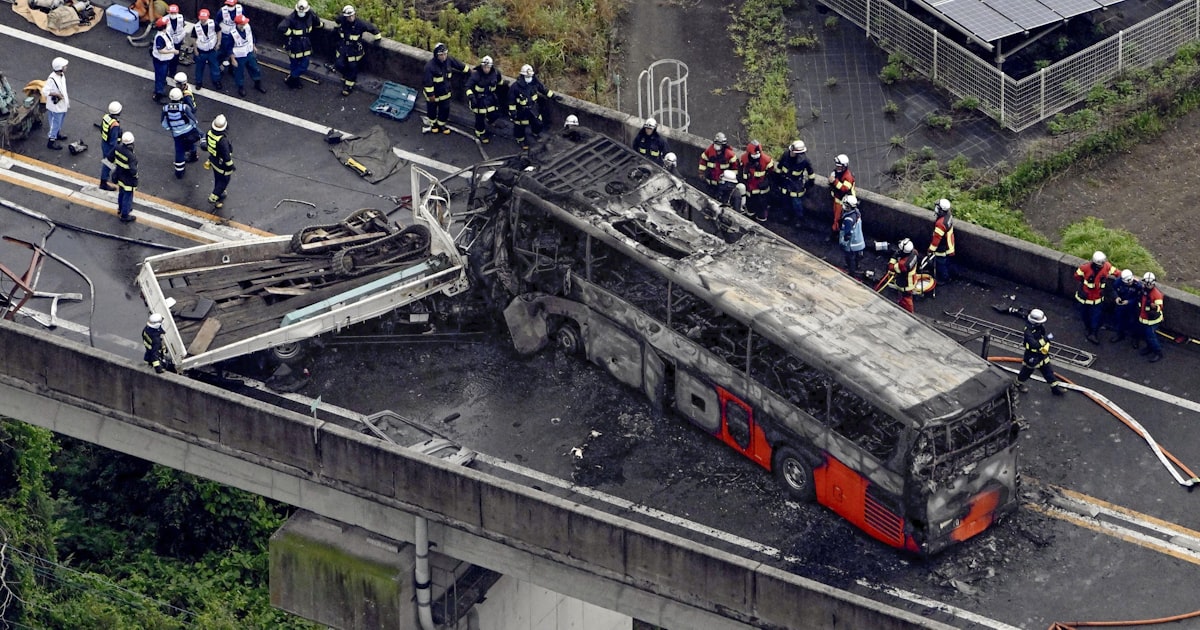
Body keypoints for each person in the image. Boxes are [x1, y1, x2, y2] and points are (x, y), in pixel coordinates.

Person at [1015, 309, 1067, 396]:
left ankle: (1055, 388)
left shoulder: (1039, 327)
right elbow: (1034, 344)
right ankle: (1017, 384)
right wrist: (1047, 339)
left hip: (1042, 354)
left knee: (1048, 371)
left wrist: (1046, 345)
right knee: (1026, 372)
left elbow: (1042, 337)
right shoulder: (1028, 331)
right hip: (1032, 355)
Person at [508, 64, 560, 149]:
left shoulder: (535, 82)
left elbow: (543, 89)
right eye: (527, 76)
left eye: (530, 76)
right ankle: (520, 140)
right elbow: (511, 101)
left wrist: (553, 96)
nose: (529, 78)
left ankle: (535, 134)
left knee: (538, 123)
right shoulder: (515, 87)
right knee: (519, 126)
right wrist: (513, 113)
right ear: (522, 76)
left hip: (533, 108)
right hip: (521, 111)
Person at [333, 5, 380, 97]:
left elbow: (373, 29)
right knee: (339, 64)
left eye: (352, 16)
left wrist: (377, 39)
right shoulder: (342, 20)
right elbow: (337, 21)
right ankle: (346, 75)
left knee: (352, 67)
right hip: (343, 47)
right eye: (348, 16)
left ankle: (349, 86)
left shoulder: (360, 24)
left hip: (354, 50)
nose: (351, 18)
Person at [421, 43, 466, 135]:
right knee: (432, 110)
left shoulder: (449, 60)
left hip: (445, 93)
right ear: (436, 55)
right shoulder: (429, 67)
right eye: (441, 55)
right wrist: (431, 95)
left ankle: (441, 125)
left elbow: (459, 65)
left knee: (445, 109)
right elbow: (427, 82)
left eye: (445, 54)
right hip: (433, 95)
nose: (444, 57)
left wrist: (469, 71)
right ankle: (433, 124)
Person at [1074, 250, 1114, 344]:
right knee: (1086, 315)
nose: (1103, 265)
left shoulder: (1105, 266)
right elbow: (1077, 276)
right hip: (1086, 297)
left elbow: (1116, 272)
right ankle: (1090, 330)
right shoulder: (1085, 268)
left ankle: (1093, 333)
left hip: (1095, 298)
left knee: (1095, 316)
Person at [279, 0, 320, 89]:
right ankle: (295, 81)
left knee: (304, 65)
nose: (301, 13)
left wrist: (320, 25)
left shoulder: (310, 14)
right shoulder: (291, 18)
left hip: (305, 44)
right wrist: (291, 33)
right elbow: (281, 27)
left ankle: (291, 77)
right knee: (294, 65)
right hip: (294, 44)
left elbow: (317, 22)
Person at [774, 140, 814, 224]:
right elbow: (779, 167)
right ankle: (787, 216)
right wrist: (777, 178)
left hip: (796, 184)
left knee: (796, 203)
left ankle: (799, 219)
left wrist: (810, 183)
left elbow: (811, 173)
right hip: (785, 181)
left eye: (793, 151)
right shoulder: (786, 155)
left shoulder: (804, 161)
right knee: (785, 201)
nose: (791, 152)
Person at [161, 87, 198, 178]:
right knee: (191, 142)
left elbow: (163, 122)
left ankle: (179, 172)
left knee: (179, 150)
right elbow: (193, 119)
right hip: (188, 130)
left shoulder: (165, 108)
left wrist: (170, 128)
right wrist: (193, 126)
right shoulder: (184, 107)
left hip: (176, 133)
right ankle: (193, 156)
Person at [465, 56, 502, 143]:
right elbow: (467, 87)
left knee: (495, 113)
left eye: (488, 67)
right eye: (484, 67)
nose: (486, 69)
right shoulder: (476, 75)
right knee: (480, 118)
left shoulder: (496, 73)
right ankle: (480, 133)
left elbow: (499, 81)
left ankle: (490, 121)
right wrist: (471, 97)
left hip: (491, 99)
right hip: (479, 100)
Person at [227, 15, 266, 97]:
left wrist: (254, 45)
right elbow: (229, 47)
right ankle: (240, 87)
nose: (244, 25)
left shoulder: (247, 27)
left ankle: (257, 83)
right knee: (239, 73)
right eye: (242, 23)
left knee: (255, 68)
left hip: (249, 53)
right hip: (239, 56)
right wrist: (233, 59)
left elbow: (251, 37)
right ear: (238, 24)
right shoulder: (232, 34)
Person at [204, 114, 234, 209]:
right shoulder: (222, 140)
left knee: (218, 178)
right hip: (222, 165)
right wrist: (230, 166)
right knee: (224, 181)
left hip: (214, 160)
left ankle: (219, 194)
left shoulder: (209, 133)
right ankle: (214, 197)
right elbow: (226, 156)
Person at [738, 140, 773, 222]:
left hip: (761, 190)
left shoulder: (767, 160)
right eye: (754, 154)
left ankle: (761, 221)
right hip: (749, 189)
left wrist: (766, 182)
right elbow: (740, 172)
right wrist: (742, 182)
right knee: (750, 207)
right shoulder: (744, 158)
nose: (756, 155)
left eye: (758, 153)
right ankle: (749, 219)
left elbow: (771, 175)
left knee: (762, 208)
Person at [109, 132, 138, 223]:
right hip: (128, 179)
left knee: (121, 193)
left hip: (119, 175)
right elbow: (133, 171)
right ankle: (125, 215)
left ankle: (120, 208)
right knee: (128, 196)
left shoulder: (117, 148)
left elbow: (109, 158)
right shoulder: (131, 156)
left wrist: (116, 168)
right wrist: (135, 178)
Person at [926, 198, 956, 289]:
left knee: (940, 263)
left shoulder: (940, 224)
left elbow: (936, 240)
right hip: (949, 243)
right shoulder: (948, 215)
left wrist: (930, 250)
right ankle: (950, 274)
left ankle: (944, 278)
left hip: (942, 247)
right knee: (947, 262)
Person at [1107, 269, 1142, 343]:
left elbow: (1139, 297)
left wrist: (1129, 302)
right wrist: (1116, 297)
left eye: (1130, 282)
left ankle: (1135, 339)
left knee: (1133, 322)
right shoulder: (1118, 282)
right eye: (1127, 283)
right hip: (1121, 305)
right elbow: (1113, 290)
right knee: (1119, 320)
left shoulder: (1137, 285)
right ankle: (1119, 334)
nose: (1129, 283)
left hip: (1132, 307)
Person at [43, 57, 70, 151]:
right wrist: (56, 94)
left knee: (60, 121)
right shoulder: (52, 79)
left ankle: (57, 134)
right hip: (55, 107)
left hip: (62, 105)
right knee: (55, 124)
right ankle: (51, 141)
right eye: (64, 66)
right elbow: (45, 91)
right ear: (60, 68)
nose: (66, 67)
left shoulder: (61, 75)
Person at [192, 9, 223, 91]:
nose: (202, 20)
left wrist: (218, 43)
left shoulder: (213, 24)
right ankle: (198, 82)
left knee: (215, 67)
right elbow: (194, 38)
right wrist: (195, 50)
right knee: (199, 68)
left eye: (204, 18)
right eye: (201, 18)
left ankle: (216, 81)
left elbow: (219, 31)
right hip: (201, 51)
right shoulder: (196, 27)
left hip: (212, 50)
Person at [1138, 272, 1165, 362]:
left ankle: (1158, 352)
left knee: (1151, 336)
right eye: (1147, 284)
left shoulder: (1156, 294)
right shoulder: (1143, 290)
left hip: (1153, 320)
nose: (1148, 285)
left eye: (1150, 284)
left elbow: (1160, 307)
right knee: (1147, 335)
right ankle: (1149, 348)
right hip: (1144, 317)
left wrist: (1155, 307)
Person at [829, 153, 856, 242]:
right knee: (836, 218)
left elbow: (844, 188)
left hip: (845, 203)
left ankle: (838, 235)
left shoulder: (848, 176)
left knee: (842, 220)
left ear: (844, 166)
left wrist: (834, 181)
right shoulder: (837, 172)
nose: (837, 168)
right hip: (838, 200)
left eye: (839, 166)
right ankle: (836, 234)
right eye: (837, 166)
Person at [150, 17, 178, 103]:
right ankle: (158, 94)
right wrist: (173, 51)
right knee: (160, 77)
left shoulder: (165, 33)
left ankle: (160, 90)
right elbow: (161, 50)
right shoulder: (159, 37)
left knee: (162, 76)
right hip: (160, 61)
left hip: (165, 60)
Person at [888, 238, 918, 313]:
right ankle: (902, 305)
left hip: (905, 284)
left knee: (906, 298)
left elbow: (891, 267)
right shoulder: (914, 252)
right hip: (912, 278)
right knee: (905, 297)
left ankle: (909, 312)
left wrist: (894, 257)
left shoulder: (903, 264)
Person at [838, 194, 865, 277]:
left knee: (849, 258)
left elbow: (847, 233)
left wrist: (844, 240)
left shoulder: (848, 219)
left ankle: (851, 272)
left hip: (851, 244)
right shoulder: (856, 212)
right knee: (857, 255)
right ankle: (857, 266)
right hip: (858, 240)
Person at [98, 101, 121, 190]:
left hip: (104, 142)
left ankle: (105, 180)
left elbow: (101, 128)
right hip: (110, 147)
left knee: (107, 162)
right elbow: (113, 141)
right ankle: (103, 182)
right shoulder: (115, 124)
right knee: (108, 163)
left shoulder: (106, 117)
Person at [216, 0, 244, 65]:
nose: (229, 6)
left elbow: (243, 20)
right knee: (222, 51)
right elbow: (216, 22)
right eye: (228, 5)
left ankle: (232, 66)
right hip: (224, 34)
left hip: (235, 33)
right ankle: (219, 65)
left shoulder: (240, 9)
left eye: (231, 5)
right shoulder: (222, 11)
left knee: (235, 50)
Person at [164, 4, 186, 76]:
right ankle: (165, 72)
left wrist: (183, 39)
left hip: (177, 41)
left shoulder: (181, 17)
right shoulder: (164, 19)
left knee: (175, 58)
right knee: (167, 58)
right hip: (168, 42)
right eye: (172, 13)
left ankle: (172, 72)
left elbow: (182, 27)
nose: (173, 14)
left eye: (174, 13)